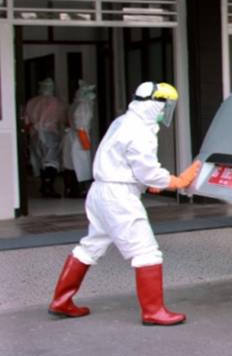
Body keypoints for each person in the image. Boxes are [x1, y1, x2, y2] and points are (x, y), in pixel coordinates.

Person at [48, 81, 201, 326]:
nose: (166, 112)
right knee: (146, 252)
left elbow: (128, 162)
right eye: (165, 106)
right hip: (119, 196)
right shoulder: (140, 131)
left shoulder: (123, 121)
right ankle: (153, 311)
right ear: (155, 104)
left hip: (101, 191)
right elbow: (148, 170)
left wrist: (148, 180)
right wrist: (177, 181)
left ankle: (61, 301)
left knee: (90, 246)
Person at [24, 77, 67, 198]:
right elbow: (63, 120)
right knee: (51, 161)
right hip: (50, 134)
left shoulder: (32, 102)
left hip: (34, 134)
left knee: (39, 160)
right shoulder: (56, 103)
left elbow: (26, 121)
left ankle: (44, 185)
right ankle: (48, 187)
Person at [62, 81, 96, 198]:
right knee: (82, 164)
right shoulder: (84, 106)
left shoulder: (74, 104)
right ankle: (80, 190)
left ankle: (70, 189)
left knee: (71, 164)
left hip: (72, 136)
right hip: (80, 137)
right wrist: (85, 142)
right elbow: (81, 125)